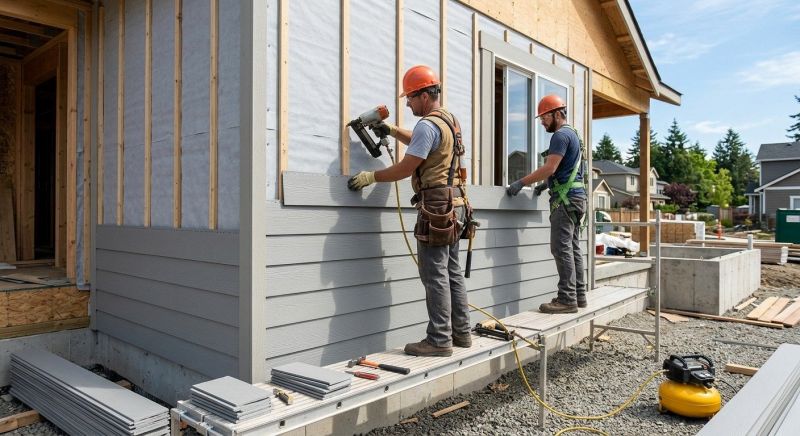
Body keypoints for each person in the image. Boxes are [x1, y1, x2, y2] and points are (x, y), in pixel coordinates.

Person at [347, 65, 471, 357]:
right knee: (451, 271)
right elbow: (420, 142)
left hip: (437, 205)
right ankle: (461, 333)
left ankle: (439, 340)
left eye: (410, 98)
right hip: (456, 202)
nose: (407, 103)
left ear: (424, 95)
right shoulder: (448, 121)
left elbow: (406, 167)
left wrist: (371, 177)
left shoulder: (427, 125)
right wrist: (390, 130)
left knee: (434, 273)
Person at [506, 94, 587, 314]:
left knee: (561, 248)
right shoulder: (575, 135)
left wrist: (521, 182)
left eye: (544, 117)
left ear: (556, 114)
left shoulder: (560, 136)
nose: (542, 122)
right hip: (577, 198)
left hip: (565, 200)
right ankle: (579, 295)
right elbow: (566, 168)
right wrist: (546, 184)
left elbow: (550, 167)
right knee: (573, 247)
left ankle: (567, 299)